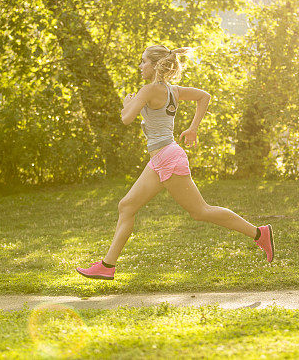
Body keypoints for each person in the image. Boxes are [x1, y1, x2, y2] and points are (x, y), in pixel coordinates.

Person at [77, 45, 274, 280]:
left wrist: (127, 103)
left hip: (168, 157)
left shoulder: (148, 90)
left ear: (155, 65)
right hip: (161, 158)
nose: (140, 66)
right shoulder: (173, 90)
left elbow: (126, 119)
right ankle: (107, 266)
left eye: (143, 62)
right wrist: (192, 129)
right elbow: (204, 96)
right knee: (126, 206)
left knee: (201, 211)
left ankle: (259, 233)